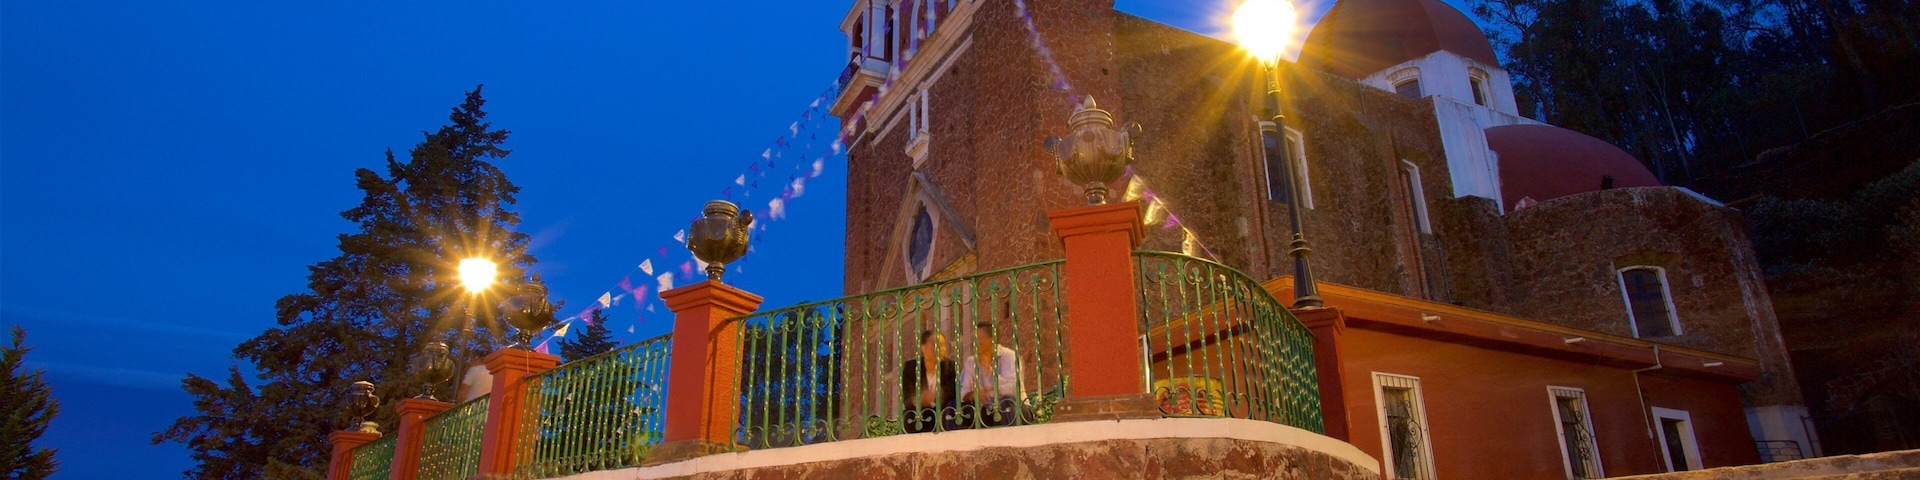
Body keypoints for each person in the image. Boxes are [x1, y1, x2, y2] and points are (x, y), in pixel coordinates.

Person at [957, 320, 1021, 428]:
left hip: (1012, 408)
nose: (974, 343)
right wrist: (973, 394)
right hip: (985, 409)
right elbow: (962, 392)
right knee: (955, 406)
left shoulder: (1009, 356)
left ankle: (1011, 438)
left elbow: (1013, 389)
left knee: (1007, 404)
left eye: (978, 339)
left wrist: (990, 373)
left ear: (992, 340)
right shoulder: (971, 362)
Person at [900, 330, 958, 433]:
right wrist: (918, 400)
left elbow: (953, 392)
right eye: (935, 345)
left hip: (943, 413)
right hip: (919, 414)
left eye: (943, 345)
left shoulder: (951, 367)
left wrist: (936, 395)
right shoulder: (911, 368)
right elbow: (907, 398)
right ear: (923, 347)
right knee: (907, 416)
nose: (940, 349)